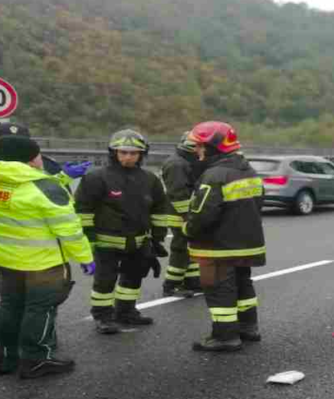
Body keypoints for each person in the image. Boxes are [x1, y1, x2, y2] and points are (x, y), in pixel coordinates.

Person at [0, 134, 94, 379]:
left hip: (6, 259)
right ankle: (37, 359)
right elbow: (69, 230)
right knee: (40, 308)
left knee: (10, 305)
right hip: (41, 262)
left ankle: (5, 357)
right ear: (31, 158)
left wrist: (62, 177)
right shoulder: (45, 187)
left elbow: (30, 191)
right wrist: (85, 257)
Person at [74, 129, 171, 335]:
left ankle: (126, 312)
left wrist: (158, 238)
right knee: (105, 280)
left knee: (133, 278)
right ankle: (103, 316)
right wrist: (88, 238)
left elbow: (160, 210)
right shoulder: (96, 178)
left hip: (138, 241)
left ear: (141, 155)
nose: (128, 157)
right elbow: (82, 210)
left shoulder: (150, 179)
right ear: (114, 153)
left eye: (134, 153)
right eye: (123, 152)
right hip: (105, 242)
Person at [0, 122, 90, 250]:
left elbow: (63, 203)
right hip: (0, 238)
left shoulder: (47, 165)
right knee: (10, 278)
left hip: (44, 236)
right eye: (6, 142)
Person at [182, 121, 265, 352]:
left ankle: (225, 336)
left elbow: (202, 214)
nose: (196, 151)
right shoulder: (248, 170)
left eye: (199, 146)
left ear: (212, 147)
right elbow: (259, 203)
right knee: (242, 285)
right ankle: (249, 328)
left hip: (219, 246)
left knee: (219, 288)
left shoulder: (215, 175)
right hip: (246, 244)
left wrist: (187, 229)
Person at [160, 131, 203, 297]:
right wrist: (188, 216)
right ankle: (171, 285)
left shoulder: (183, 161)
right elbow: (178, 193)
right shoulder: (177, 164)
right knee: (181, 248)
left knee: (190, 247)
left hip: (183, 213)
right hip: (179, 214)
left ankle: (191, 281)